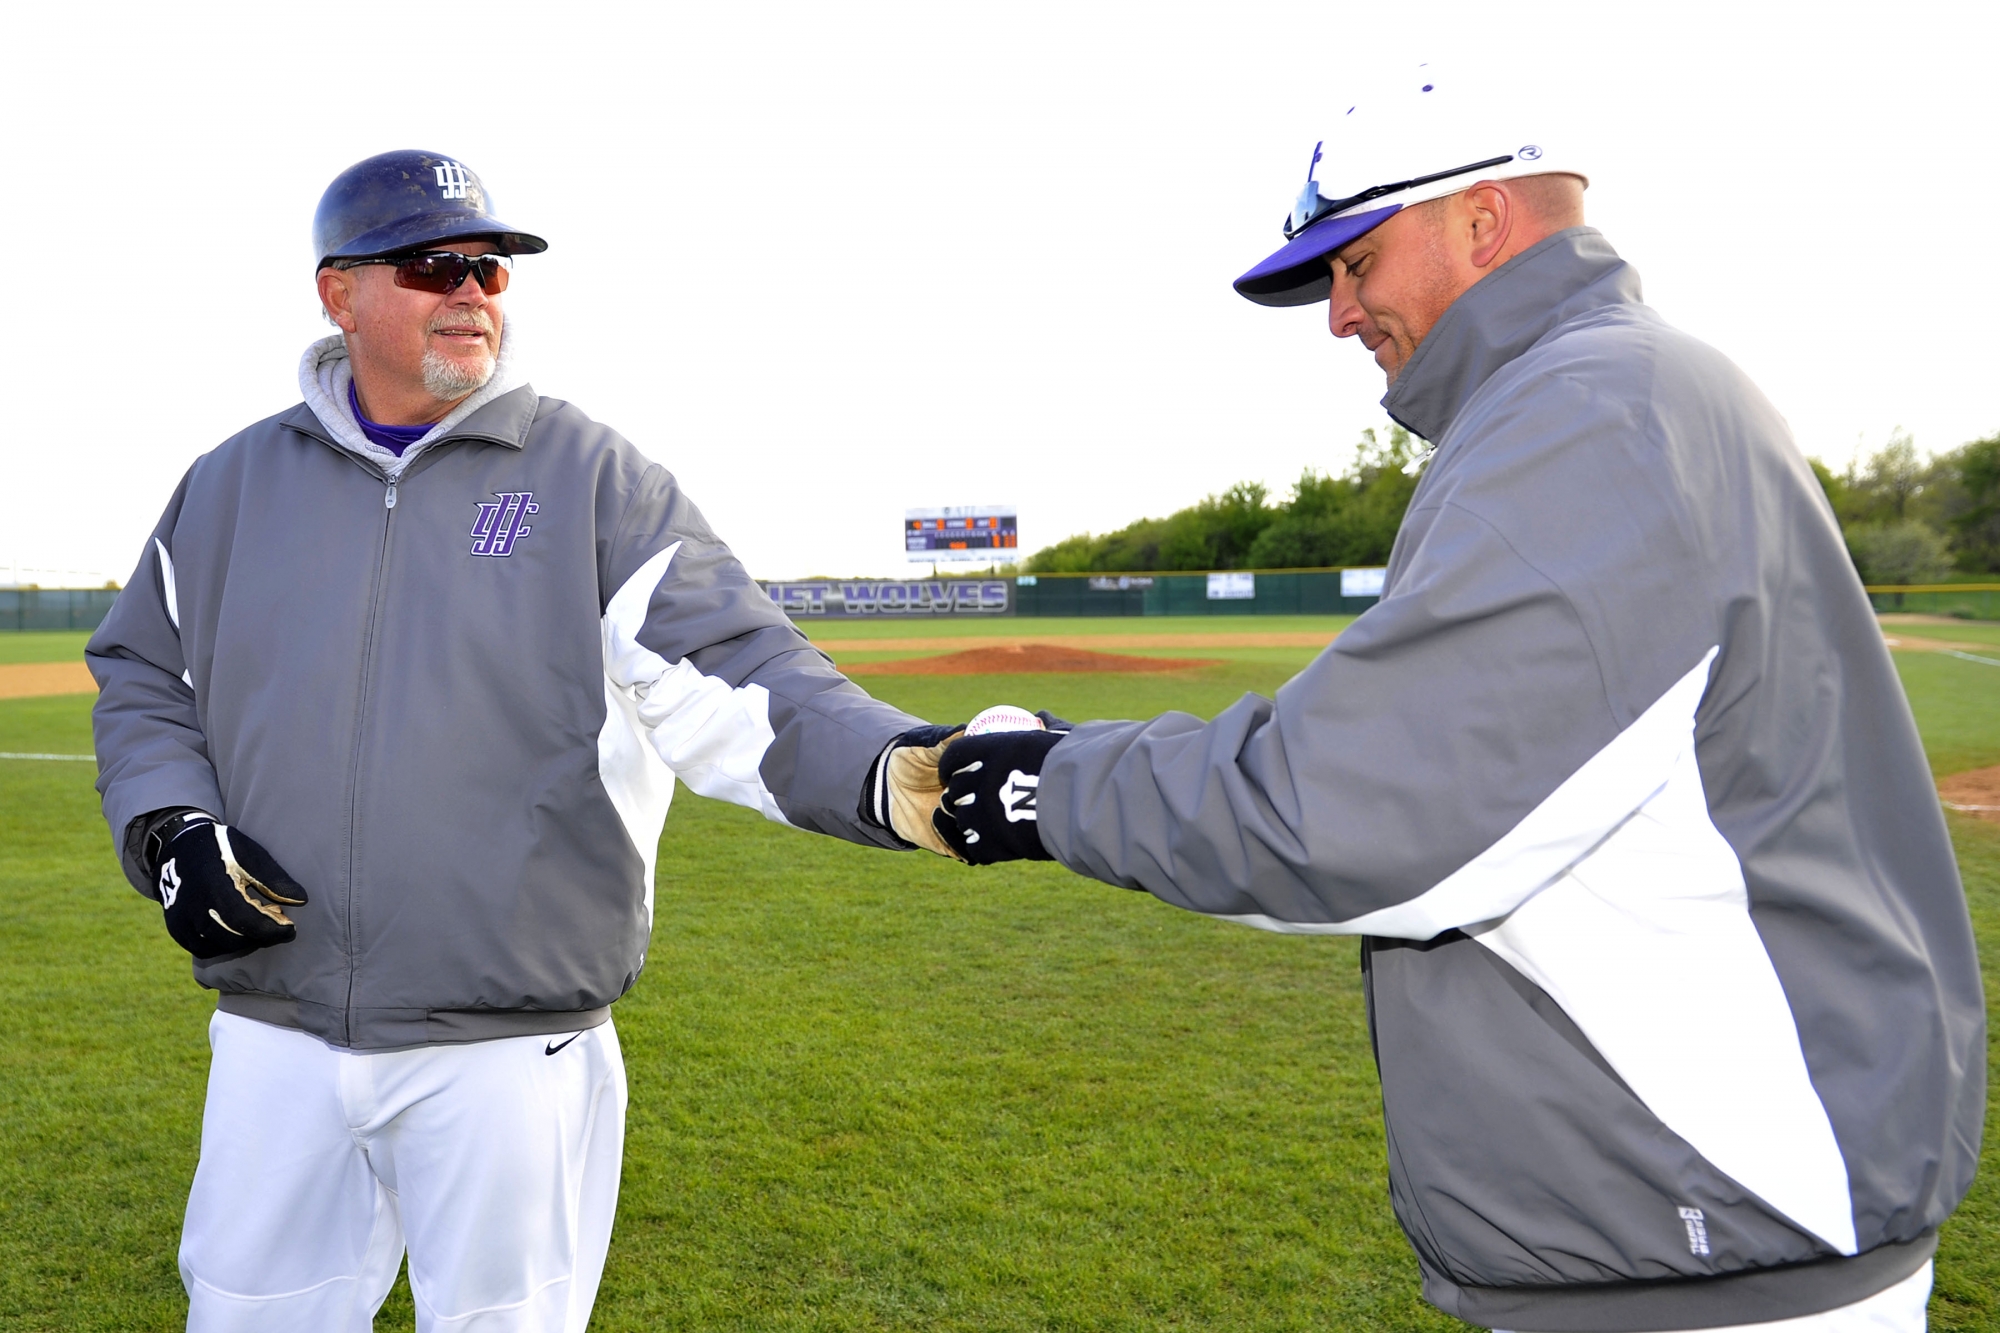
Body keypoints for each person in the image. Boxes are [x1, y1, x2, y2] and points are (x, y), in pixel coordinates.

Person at [926, 68, 1982, 1332]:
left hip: (1714, 1245)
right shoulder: (1618, 391)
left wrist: (1047, 787)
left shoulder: (1592, 412)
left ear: (1480, 222)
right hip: (1706, 1225)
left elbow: (1349, 813)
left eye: (1354, 262)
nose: (1337, 313)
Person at [87, 150, 959, 1333]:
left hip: (511, 1044)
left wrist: (900, 771)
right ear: (337, 294)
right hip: (274, 1027)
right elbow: (141, 669)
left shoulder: (591, 476)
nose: (474, 290)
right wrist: (169, 826)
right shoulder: (231, 482)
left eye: (491, 266)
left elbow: (740, 671)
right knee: (248, 1314)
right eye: (434, 263)